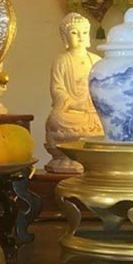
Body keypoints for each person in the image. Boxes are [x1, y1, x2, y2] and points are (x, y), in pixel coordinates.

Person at [45, 12, 102, 173]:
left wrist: (92, 103)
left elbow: (102, 88)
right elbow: (57, 88)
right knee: (56, 119)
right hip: (72, 111)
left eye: (84, 32)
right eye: (74, 33)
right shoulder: (61, 60)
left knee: (106, 121)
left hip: (92, 110)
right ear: (65, 37)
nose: (80, 36)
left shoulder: (96, 60)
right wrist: (73, 103)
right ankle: (68, 155)